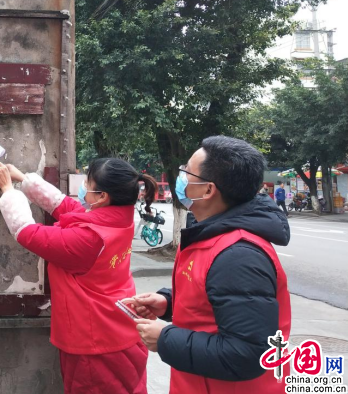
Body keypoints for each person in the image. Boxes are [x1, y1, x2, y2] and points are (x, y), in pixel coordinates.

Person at [123, 136, 291, 394]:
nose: (181, 176)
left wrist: (165, 339)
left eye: (187, 172)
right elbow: (216, 301)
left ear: (208, 190)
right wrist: (169, 303)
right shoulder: (211, 234)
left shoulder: (238, 255)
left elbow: (248, 353)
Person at [0, 158, 156, 394]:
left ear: (102, 197)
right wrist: (24, 180)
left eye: (88, 184)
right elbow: (68, 208)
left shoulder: (89, 239)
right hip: (119, 328)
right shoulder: (119, 219)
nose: (84, 188)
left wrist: (8, 190)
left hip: (96, 343)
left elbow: (28, 233)